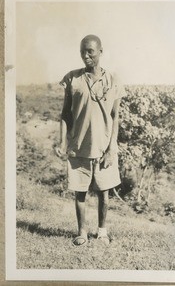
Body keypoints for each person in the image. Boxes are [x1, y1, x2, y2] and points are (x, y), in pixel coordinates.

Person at [56, 35, 126, 246]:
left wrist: (112, 147)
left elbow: (115, 116)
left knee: (104, 192)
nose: (86, 56)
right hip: (79, 147)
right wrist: (62, 142)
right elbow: (65, 114)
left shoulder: (113, 80)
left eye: (90, 51)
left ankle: (102, 232)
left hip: (104, 147)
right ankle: (82, 233)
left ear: (100, 52)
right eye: (82, 51)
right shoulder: (72, 79)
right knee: (80, 192)